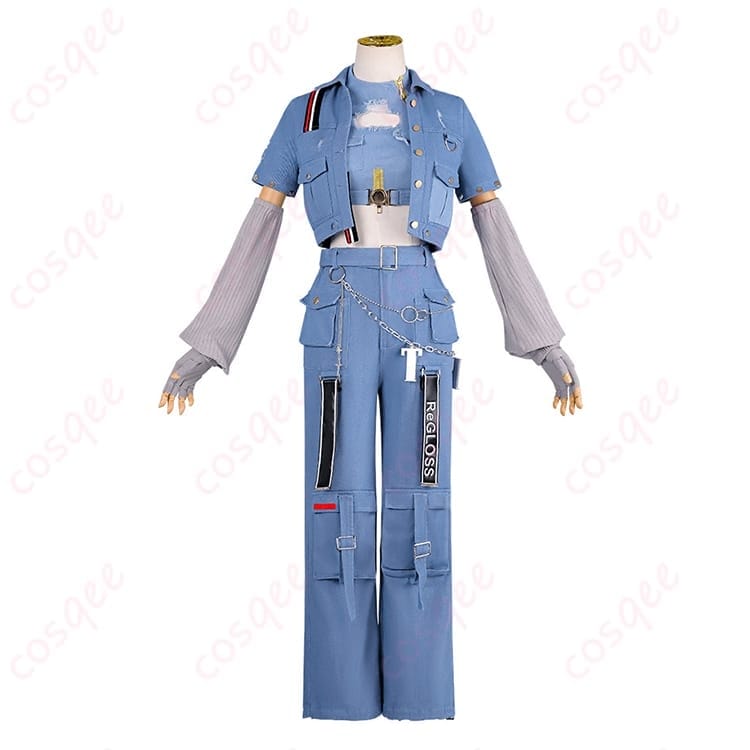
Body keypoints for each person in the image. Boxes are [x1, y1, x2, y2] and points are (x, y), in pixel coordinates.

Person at [158, 35, 582, 720]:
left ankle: (420, 694)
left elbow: (494, 223)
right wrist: (208, 343)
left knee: (423, 505)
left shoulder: (450, 113)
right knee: (336, 504)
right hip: (337, 323)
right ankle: (342, 697)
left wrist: (544, 344)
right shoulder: (306, 113)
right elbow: (262, 222)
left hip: (423, 324)